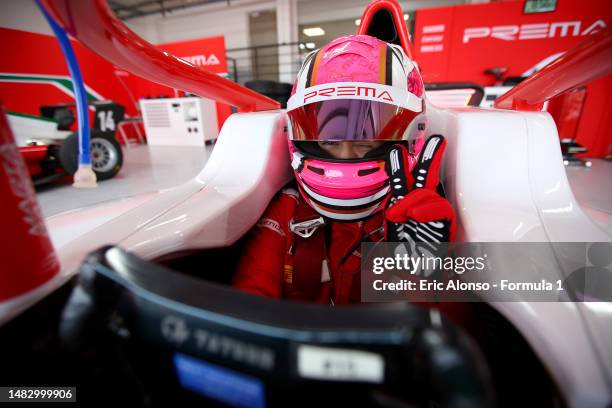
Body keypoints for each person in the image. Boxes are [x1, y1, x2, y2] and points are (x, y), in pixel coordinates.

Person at [232, 34, 455, 304]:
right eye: (328, 140)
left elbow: (461, 334)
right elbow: (247, 302)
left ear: (413, 134)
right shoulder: (285, 211)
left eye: (366, 141)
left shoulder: (427, 220)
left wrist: (422, 282)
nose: (345, 154)